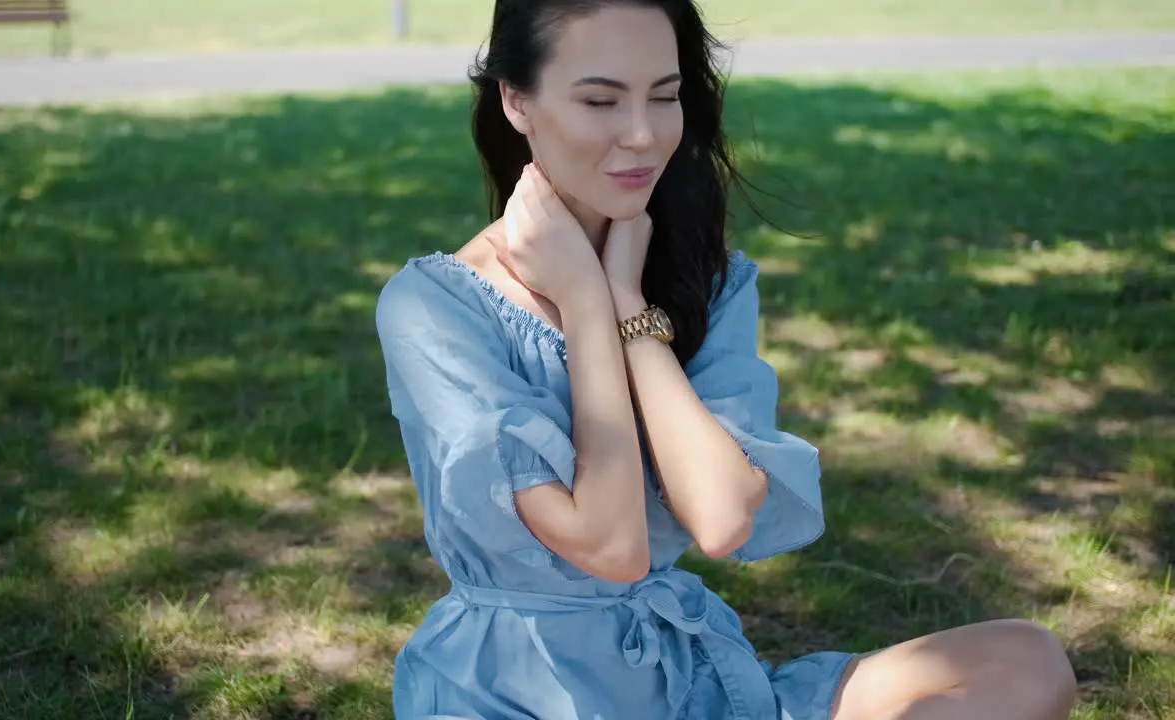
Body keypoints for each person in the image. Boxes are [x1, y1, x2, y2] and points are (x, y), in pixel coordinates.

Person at [373, 1, 1078, 717]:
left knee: (1025, 662)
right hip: (517, 691)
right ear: (517, 101)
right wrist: (583, 304)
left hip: (685, 685)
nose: (644, 135)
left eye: (665, 95)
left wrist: (623, 304)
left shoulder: (702, 283)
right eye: (600, 100)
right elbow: (612, 548)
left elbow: (719, 519)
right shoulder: (434, 310)